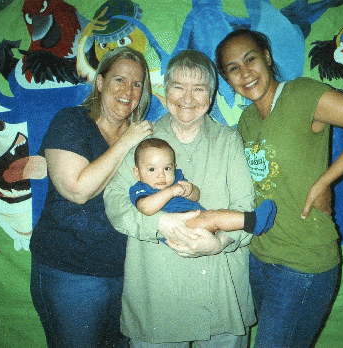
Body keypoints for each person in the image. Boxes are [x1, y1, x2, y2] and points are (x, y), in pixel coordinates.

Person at [215, 29, 343, 348]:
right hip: (259, 257)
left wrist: (326, 181)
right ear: (227, 79)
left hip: (303, 263)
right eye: (232, 68)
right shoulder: (245, 120)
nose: (244, 73)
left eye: (250, 59)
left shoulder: (301, 94)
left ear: (267, 58)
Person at [104, 50, 257, 347]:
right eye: (178, 86)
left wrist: (220, 242)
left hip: (221, 294)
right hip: (157, 297)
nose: (188, 98)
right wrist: (160, 224)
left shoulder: (229, 140)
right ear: (165, 90)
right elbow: (115, 200)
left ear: (211, 95)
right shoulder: (141, 138)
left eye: (199, 88)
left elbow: (244, 208)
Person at [29, 47, 153, 348]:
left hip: (127, 275)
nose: (128, 91)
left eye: (137, 84)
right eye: (120, 79)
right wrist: (127, 142)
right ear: (100, 82)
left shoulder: (143, 140)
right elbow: (77, 190)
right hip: (71, 274)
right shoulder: (72, 121)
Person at [130, 137, 277, 235]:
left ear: (174, 167)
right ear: (137, 173)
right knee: (214, 217)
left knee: (217, 213)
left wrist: (190, 190)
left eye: (167, 168)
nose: (161, 175)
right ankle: (253, 222)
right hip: (180, 227)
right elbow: (146, 208)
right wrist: (172, 191)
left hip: (197, 219)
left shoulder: (177, 179)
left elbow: (197, 196)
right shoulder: (141, 188)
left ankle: (254, 221)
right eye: (151, 169)